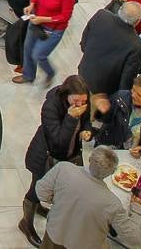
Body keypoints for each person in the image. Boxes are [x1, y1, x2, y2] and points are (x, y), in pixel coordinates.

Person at [18, 74, 93, 244]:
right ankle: (26, 223)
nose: (80, 105)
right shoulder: (50, 106)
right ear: (66, 95)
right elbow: (58, 142)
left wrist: (86, 130)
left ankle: (39, 208)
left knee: (55, 188)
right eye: (76, 101)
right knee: (36, 189)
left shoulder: (82, 102)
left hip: (70, 154)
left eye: (83, 101)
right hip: (46, 155)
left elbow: (87, 120)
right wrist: (71, 118)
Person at [34, 146, 141, 249]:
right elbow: (133, 238)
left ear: (90, 158)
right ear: (111, 173)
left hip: (54, 235)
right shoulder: (112, 203)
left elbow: (41, 192)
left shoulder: (63, 168)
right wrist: (137, 206)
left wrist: (59, 200)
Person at [17, 0, 76, 85]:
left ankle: (50, 72)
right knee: (28, 48)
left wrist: (43, 19)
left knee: (38, 55)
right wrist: (32, 4)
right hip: (36, 18)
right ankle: (28, 75)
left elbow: (65, 16)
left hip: (53, 29)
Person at [94, 72, 141, 159]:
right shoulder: (121, 97)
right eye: (133, 90)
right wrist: (103, 111)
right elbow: (105, 121)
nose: (133, 95)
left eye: (139, 95)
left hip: (134, 159)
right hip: (109, 149)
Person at [77, 2, 141, 95]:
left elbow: (84, 40)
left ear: (119, 10)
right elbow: (127, 78)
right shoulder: (137, 45)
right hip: (103, 91)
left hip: (84, 72)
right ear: (138, 21)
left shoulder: (101, 15)